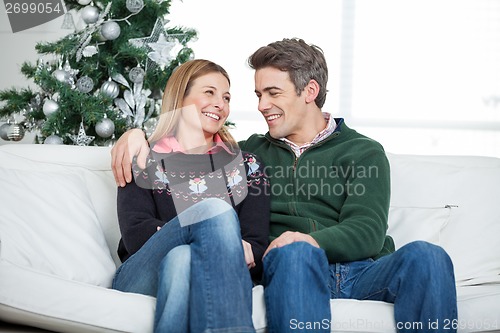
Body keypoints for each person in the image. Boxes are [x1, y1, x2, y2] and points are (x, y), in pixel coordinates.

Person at [111, 39, 458, 333]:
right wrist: (135, 133)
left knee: (428, 256)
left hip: (362, 271)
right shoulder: (250, 154)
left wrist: (309, 238)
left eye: (272, 93)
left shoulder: (363, 151)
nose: (261, 105)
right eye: (259, 94)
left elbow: (367, 230)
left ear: (310, 91)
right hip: (291, 266)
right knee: (294, 254)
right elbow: (192, 143)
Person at [111, 59, 270, 333]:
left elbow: (256, 244)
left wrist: (185, 237)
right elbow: (136, 235)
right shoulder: (144, 157)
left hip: (193, 270)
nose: (220, 103)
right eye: (209, 92)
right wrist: (219, 238)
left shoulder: (248, 166)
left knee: (182, 258)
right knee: (212, 211)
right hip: (140, 274)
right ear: (181, 97)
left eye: (226, 97)